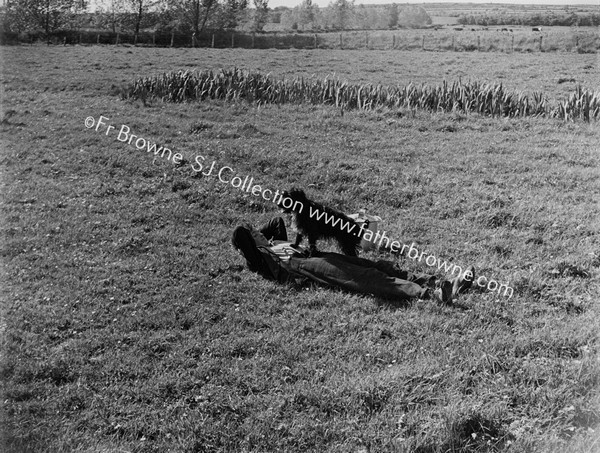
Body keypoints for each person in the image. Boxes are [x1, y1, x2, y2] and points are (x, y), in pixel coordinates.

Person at [231, 217, 474, 305]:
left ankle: (442, 283)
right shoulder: (260, 260)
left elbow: (276, 222)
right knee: (363, 278)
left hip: (313, 254)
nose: (261, 233)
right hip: (303, 266)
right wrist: (256, 242)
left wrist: (263, 237)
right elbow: (240, 235)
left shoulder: (274, 242)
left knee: (372, 265)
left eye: (258, 231)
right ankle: (429, 294)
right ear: (250, 245)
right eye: (255, 235)